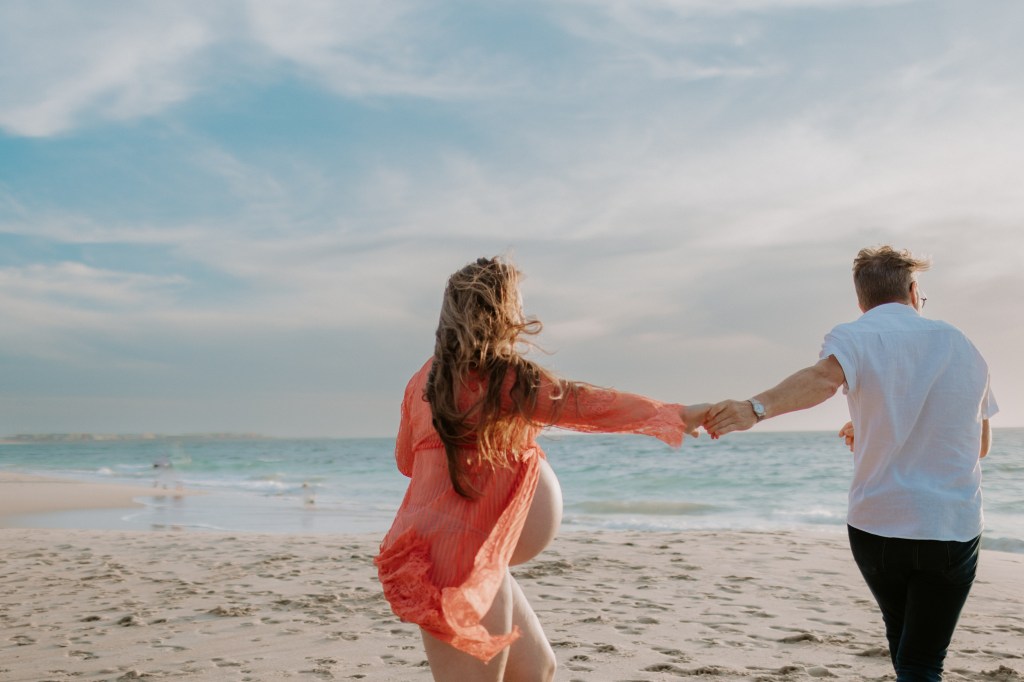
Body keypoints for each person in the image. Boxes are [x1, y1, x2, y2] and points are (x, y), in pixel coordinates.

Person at [375, 256, 709, 682]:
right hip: (459, 558)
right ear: (503, 313)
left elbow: (406, 463)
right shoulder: (501, 378)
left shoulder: (424, 380)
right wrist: (675, 415)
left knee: (536, 669)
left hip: (460, 548)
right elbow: (584, 403)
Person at [703, 245, 997, 682]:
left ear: (861, 300)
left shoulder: (856, 335)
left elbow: (822, 379)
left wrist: (755, 409)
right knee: (922, 662)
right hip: (949, 528)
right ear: (914, 291)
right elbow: (978, 447)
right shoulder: (963, 346)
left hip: (876, 528)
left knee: (905, 647)